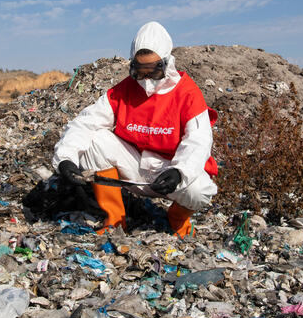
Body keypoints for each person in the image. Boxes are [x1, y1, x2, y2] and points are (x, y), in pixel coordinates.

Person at [53, 21, 217, 237]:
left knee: (200, 189)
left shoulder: (187, 94)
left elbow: (199, 139)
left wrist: (180, 172)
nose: (146, 79)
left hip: (169, 174)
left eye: (153, 71)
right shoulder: (123, 91)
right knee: (95, 140)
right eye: (140, 72)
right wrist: (65, 158)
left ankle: (177, 220)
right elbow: (86, 122)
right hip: (134, 168)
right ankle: (114, 221)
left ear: (167, 63)